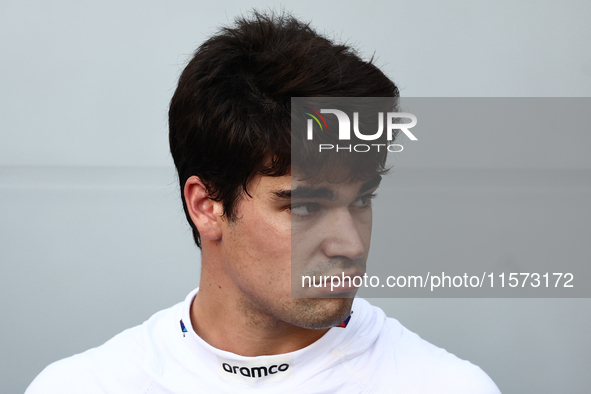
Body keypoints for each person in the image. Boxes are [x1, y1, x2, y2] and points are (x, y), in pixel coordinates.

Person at [26, 10, 500, 393]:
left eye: (362, 199)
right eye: (304, 207)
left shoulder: (446, 386)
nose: (350, 245)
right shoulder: (82, 386)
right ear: (206, 206)